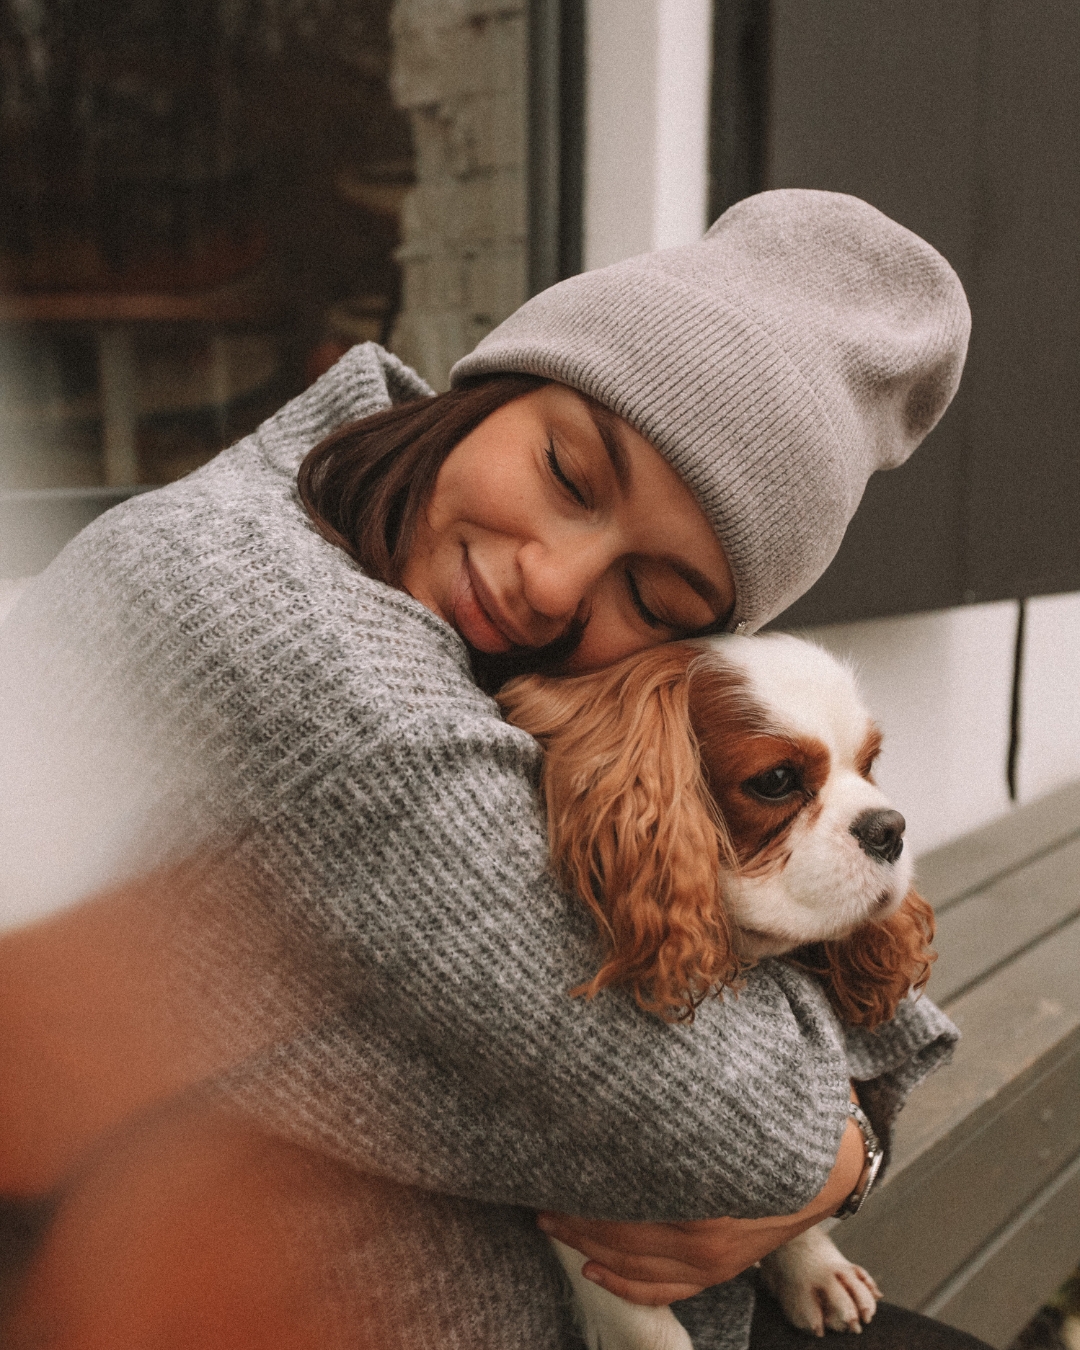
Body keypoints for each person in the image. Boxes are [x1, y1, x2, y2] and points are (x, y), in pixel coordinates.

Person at [0, 190, 980, 1349]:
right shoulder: (276, 635)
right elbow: (737, 1120)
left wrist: (841, 1169)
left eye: (655, 601)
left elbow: (877, 1005)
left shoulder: (413, 566)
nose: (554, 584)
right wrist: (825, 1159)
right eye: (569, 473)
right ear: (495, 387)